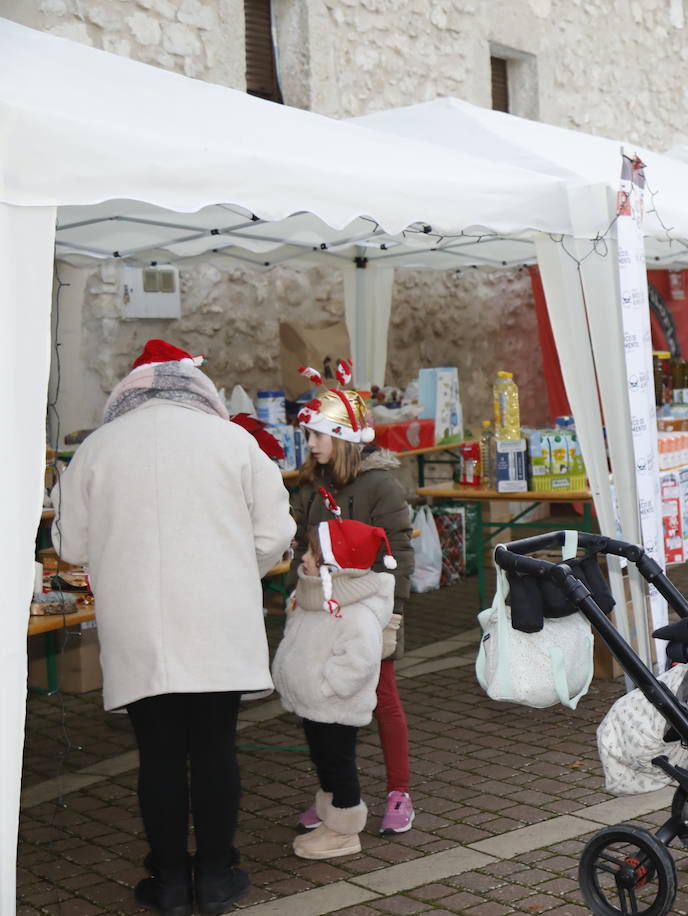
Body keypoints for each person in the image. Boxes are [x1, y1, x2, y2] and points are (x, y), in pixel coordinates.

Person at [52, 339, 295, 916]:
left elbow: (69, 542)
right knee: (215, 749)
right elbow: (276, 533)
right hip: (217, 616)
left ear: (127, 393)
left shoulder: (99, 447)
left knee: (158, 754)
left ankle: (166, 878)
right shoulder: (233, 441)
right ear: (199, 391)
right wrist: (238, 570)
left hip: (138, 621)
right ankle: (214, 874)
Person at [291, 373, 417, 834]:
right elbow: (302, 544)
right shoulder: (311, 486)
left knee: (382, 696)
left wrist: (393, 614)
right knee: (320, 700)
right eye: (307, 435)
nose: (309, 444)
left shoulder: (380, 486)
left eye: (316, 435)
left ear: (342, 439)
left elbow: (398, 553)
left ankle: (399, 792)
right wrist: (298, 586)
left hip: (370, 611)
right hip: (323, 612)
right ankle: (334, 793)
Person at [275, 519, 397, 859]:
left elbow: (359, 660)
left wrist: (326, 688)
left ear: (334, 563)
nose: (304, 559)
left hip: (335, 706)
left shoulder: (356, 612)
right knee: (323, 760)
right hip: (314, 704)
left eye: (313, 553)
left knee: (338, 764)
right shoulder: (314, 594)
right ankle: (331, 819)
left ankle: (344, 831)